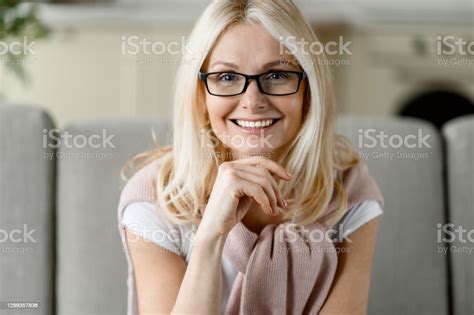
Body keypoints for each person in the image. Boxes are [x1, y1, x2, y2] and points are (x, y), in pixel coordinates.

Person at [118, 0, 384, 314]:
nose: (252, 101)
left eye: (277, 75)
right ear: (200, 94)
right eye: (227, 78)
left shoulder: (347, 192)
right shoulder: (154, 199)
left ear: (307, 91)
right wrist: (209, 239)